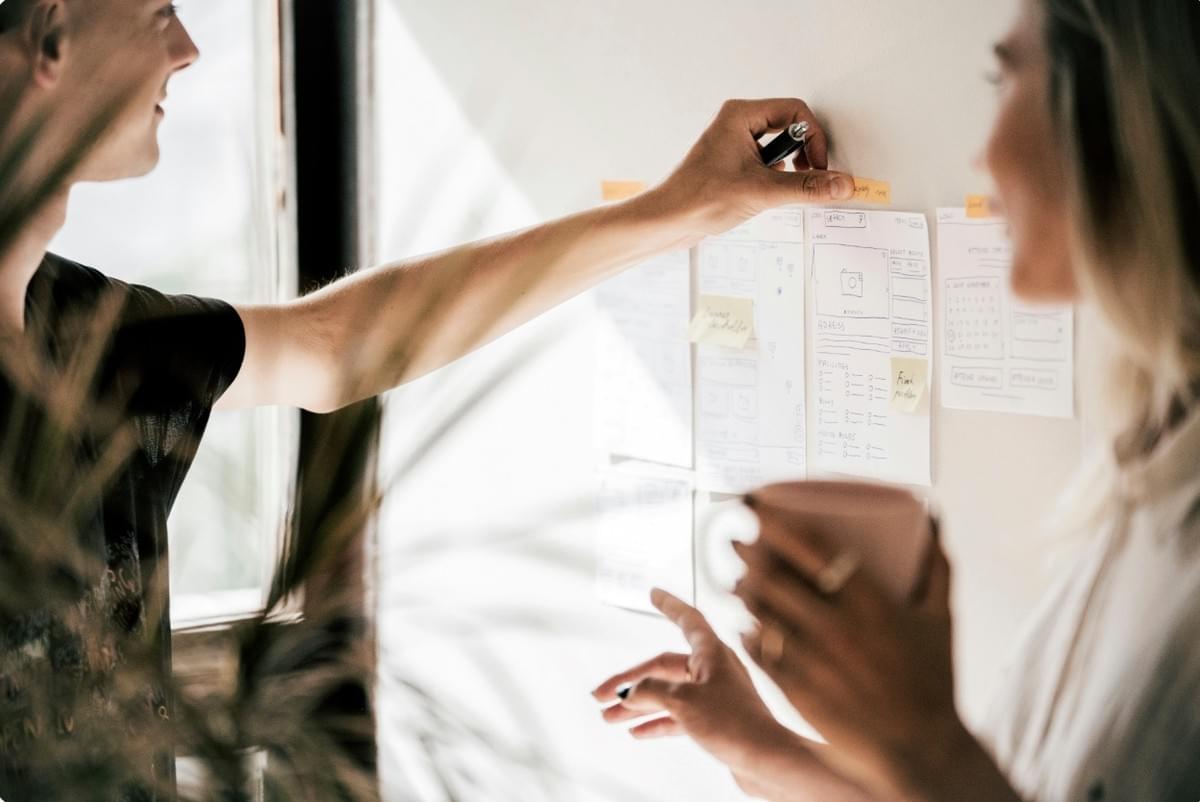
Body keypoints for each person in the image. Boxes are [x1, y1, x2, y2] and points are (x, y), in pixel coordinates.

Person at [0, 0, 857, 799]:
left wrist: (677, 210)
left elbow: (334, 345)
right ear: (51, 38)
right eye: (157, 13)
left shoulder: (85, 333)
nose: (187, 49)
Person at [595, 0, 1200, 800]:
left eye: (1005, 79)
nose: (983, 156)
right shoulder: (1150, 469)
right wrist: (761, 744)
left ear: (1126, 109)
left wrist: (919, 735)